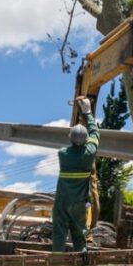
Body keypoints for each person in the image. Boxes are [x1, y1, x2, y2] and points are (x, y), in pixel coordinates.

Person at [52, 96, 100, 252]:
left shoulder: (62, 154)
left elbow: (72, 145)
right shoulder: (90, 153)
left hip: (62, 202)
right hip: (79, 204)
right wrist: (87, 112)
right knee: (79, 236)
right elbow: (95, 133)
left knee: (59, 235)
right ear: (86, 140)